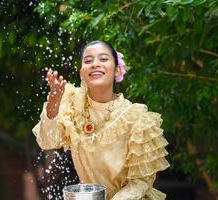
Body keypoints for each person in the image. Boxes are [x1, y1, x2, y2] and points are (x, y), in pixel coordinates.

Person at [32, 40, 170, 199]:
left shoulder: (137, 118)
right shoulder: (70, 104)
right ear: (81, 72)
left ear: (117, 70)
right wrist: (53, 105)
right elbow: (48, 141)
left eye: (103, 59)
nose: (95, 64)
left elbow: (140, 183)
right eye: (88, 61)